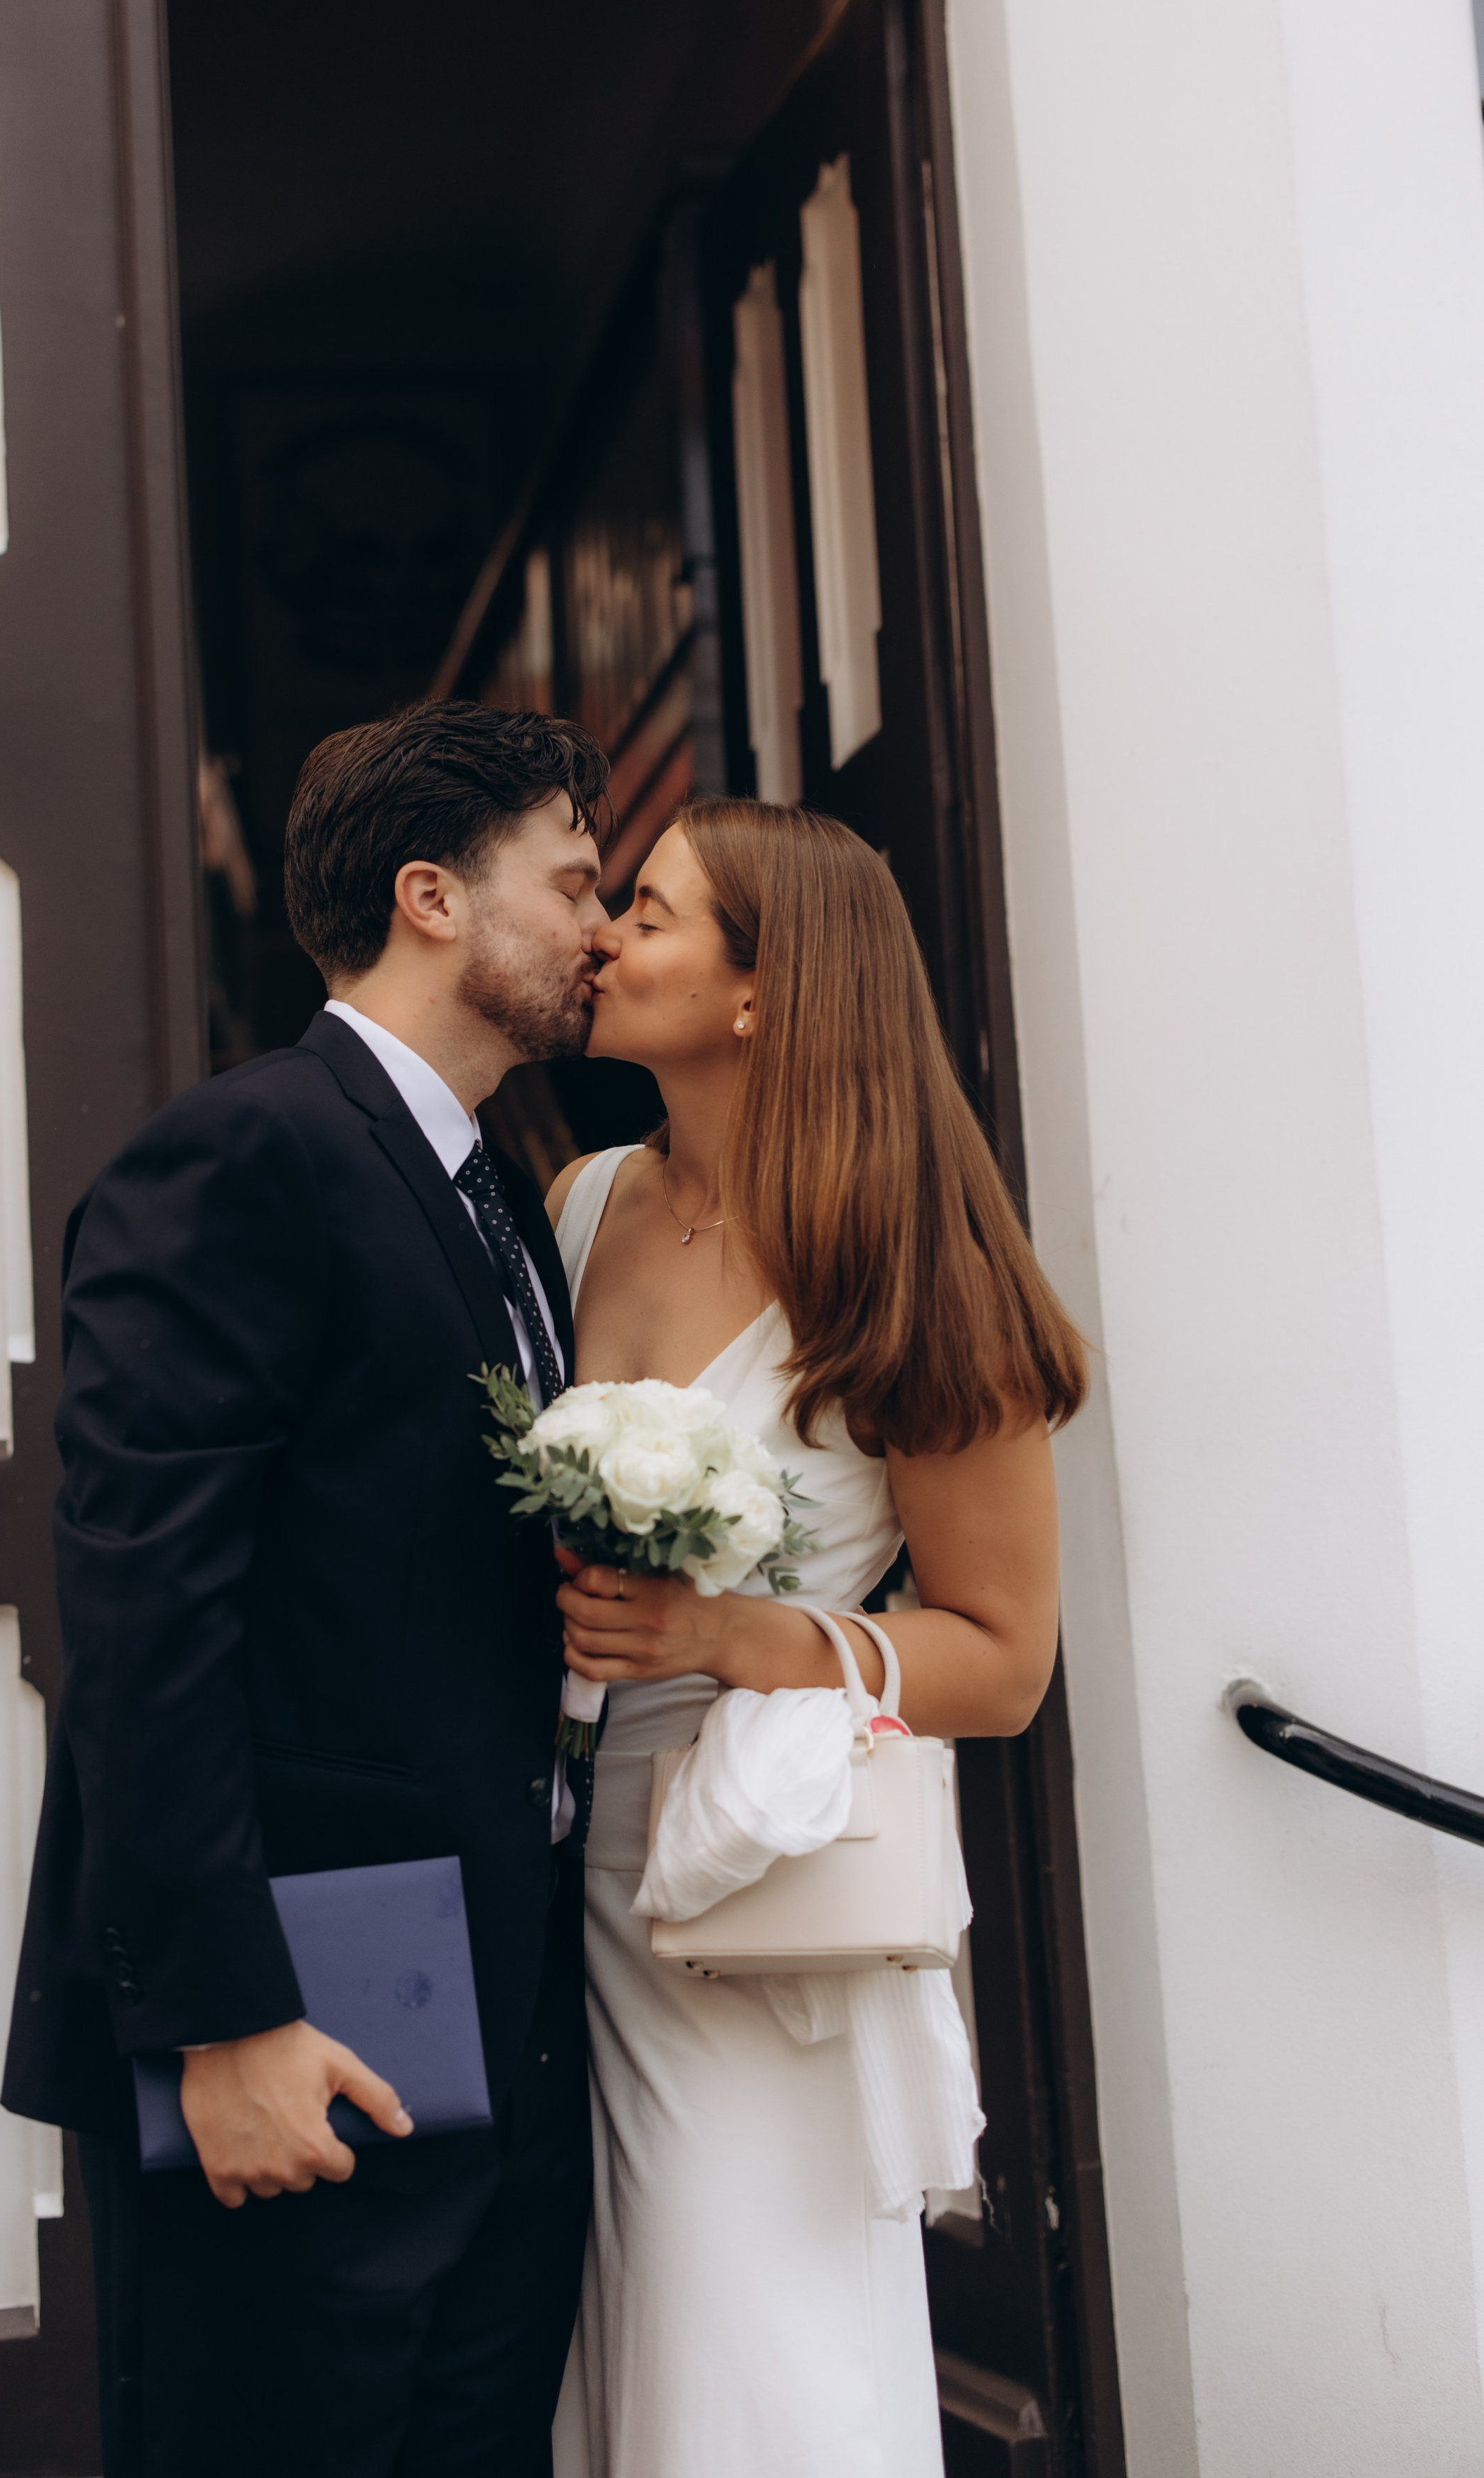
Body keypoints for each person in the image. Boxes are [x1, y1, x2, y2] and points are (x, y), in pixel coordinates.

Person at [1, 701, 611, 2478]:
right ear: (432, 896)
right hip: (302, 2027)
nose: (596, 925)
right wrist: (224, 2016)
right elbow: (141, 1614)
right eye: (569, 882)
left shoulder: (499, 1185)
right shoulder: (242, 1155)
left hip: (499, 2022)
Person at [544, 799, 1088, 2478]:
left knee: (740, 2359)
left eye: (649, 912)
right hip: (538, 1874)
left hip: (741, 1891)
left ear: (758, 996)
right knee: (575, 2356)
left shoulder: (900, 1265)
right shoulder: (577, 1201)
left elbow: (1003, 1656)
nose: (603, 938)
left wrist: (733, 1630)